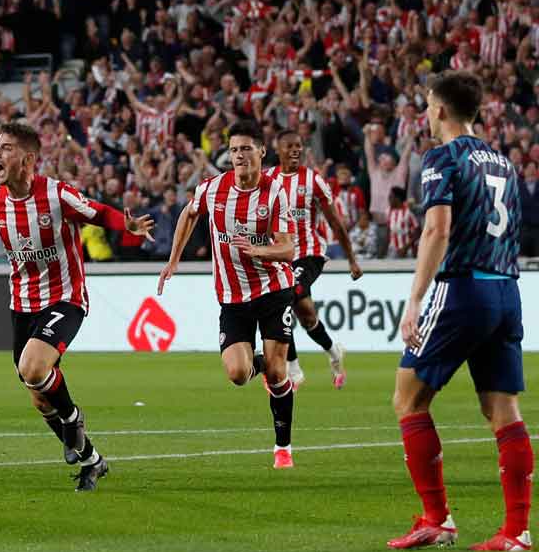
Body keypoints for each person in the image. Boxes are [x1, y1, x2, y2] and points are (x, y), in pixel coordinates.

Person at [0, 121, 155, 491]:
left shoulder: (56, 194)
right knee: (38, 396)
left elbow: (98, 213)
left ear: (28, 159)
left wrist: (125, 224)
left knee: (34, 369)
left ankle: (73, 418)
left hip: (65, 297)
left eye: (5, 148)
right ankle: (92, 460)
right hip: (22, 302)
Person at [389, 71, 532, 551]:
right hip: (507, 291)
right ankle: (516, 532)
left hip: (463, 289)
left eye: (429, 106)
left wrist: (413, 300)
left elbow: (437, 230)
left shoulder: (442, 158)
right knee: (503, 410)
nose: (427, 115)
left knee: (408, 399)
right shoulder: (504, 162)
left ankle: (437, 519)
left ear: (442, 109)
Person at [158, 119, 298, 469]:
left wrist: (258, 252)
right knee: (237, 373)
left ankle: (283, 448)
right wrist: (173, 260)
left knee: (280, 374)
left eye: (246, 148)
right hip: (233, 297)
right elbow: (188, 216)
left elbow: (288, 249)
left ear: (261, 152)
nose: (239, 155)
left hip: (272, 290)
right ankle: (263, 364)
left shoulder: (275, 193)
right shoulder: (212, 189)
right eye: (234, 149)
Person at [266, 130, 363, 389]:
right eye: (290, 146)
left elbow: (335, 222)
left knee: (286, 295)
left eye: (299, 146)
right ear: (279, 149)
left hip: (309, 252)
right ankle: (333, 351)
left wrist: (352, 260)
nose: (296, 150)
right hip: (280, 257)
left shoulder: (313, 181)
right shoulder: (267, 180)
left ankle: (294, 371)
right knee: (305, 314)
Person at [387, 186, 419, 258]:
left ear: (397, 198)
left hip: (406, 250)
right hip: (392, 250)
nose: (389, 199)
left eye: (391, 197)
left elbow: (417, 232)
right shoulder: (389, 211)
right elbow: (389, 231)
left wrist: (406, 247)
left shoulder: (408, 212)